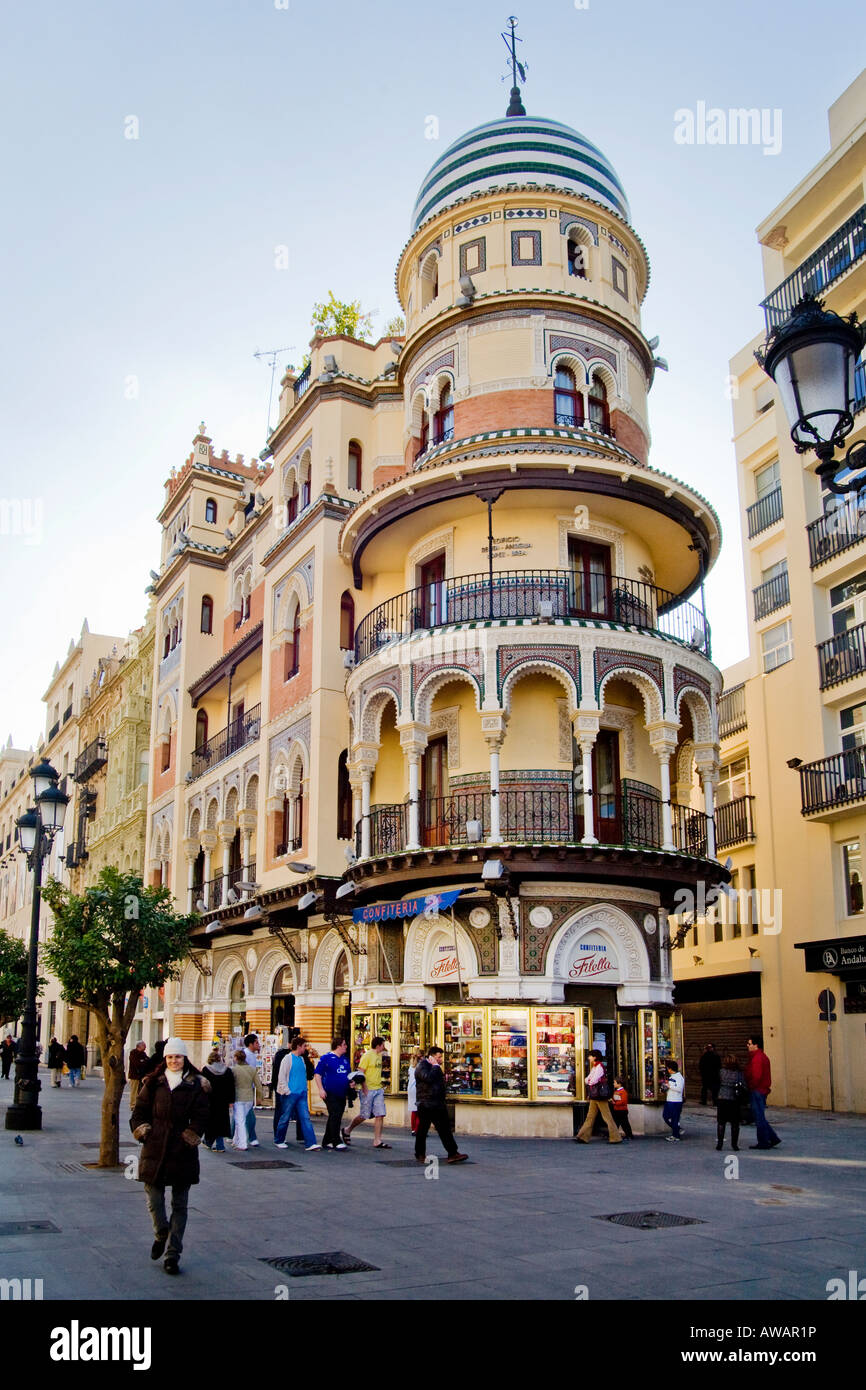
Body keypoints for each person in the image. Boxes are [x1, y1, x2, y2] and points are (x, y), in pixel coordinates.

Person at [130, 1037, 210, 1276]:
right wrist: (143, 1131)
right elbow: (139, 1111)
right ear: (164, 1059)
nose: (174, 1061)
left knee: (180, 1203)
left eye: (178, 1056)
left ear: (185, 1058)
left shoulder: (197, 1084)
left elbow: (202, 1115)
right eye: (170, 1057)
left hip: (182, 1149)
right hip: (155, 1146)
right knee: (153, 1197)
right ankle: (161, 1231)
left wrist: (191, 1134)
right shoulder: (153, 1083)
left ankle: (173, 1253)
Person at [414, 1046, 468, 1164]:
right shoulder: (422, 1066)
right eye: (439, 1057)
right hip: (426, 1103)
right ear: (432, 1057)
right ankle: (420, 1154)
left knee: (444, 1129)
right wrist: (436, 1066)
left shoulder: (434, 1067)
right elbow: (428, 1078)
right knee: (423, 1130)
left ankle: (452, 1153)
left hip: (437, 1103)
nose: (441, 1059)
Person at [342, 1035, 391, 1149]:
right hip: (368, 1089)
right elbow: (361, 1072)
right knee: (365, 1115)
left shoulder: (379, 1056)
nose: (384, 1047)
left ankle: (377, 1140)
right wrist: (364, 1086)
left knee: (380, 1114)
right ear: (378, 1045)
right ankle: (347, 1130)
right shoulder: (367, 1055)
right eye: (383, 1044)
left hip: (378, 1089)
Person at [274, 1036, 320, 1150]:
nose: (305, 1048)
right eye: (304, 1046)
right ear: (298, 1046)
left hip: (301, 1093)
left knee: (305, 1118)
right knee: (285, 1117)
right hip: (291, 1094)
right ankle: (279, 1139)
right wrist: (286, 1091)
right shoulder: (287, 1059)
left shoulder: (302, 1059)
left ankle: (310, 1142)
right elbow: (282, 1076)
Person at [574, 1050, 622, 1144]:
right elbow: (588, 1079)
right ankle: (582, 1136)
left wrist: (589, 1081)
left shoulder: (599, 1067)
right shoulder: (595, 1067)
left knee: (606, 1117)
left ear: (595, 1057)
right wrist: (589, 1080)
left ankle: (615, 1137)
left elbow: (592, 1080)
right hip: (595, 1095)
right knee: (590, 1116)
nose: (589, 1058)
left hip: (599, 1095)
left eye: (590, 1056)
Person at [314, 1037, 354, 1150]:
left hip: (341, 1092)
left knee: (336, 1115)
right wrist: (321, 1089)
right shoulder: (326, 1058)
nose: (346, 1046)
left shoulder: (345, 1060)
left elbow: (348, 1075)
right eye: (344, 1044)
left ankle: (327, 1140)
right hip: (329, 1092)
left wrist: (351, 1083)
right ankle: (336, 1140)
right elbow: (318, 1074)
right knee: (335, 1113)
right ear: (338, 1046)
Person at [745, 1036, 781, 1150]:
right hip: (761, 1090)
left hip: (757, 1091)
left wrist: (751, 1086)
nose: (747, 1045)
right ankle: (773, 1138)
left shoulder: (757, 1058)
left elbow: (756, 1076)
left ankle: (763, 1141)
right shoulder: (761, 1057)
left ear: (756, 1045)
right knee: (759, 1116)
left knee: (759, 1117)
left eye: (749, 1043)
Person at [201, 1048, 234, 1152]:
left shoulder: (206, 1070)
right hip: (223, 1101)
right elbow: (231, 1086)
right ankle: (220, 1145)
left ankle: (208, 1141)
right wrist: (231, 1100)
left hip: (210, 1100)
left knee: (211, 1122)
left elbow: (203, 1086)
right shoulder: (227, 1070)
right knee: (222, 1122)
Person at [230, 1049, 263, 1150]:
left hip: (238, 1097)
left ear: (236, 1058)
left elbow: (230, 1085)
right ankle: (236, 1140)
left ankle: (242, 1144)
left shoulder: (234, 1070)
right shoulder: (252, 1069)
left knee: (240, 1121)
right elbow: (258, 1085)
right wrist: (259, 1097)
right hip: (249, 1098)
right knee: (241, 1118)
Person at [716, 1053, 744, 1151]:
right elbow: (743, 1085)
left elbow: (717, 1082)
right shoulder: (738, 1073)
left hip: (722, 1097)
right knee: (735, 1123)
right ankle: (734, 1145)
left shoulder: (721, 1072)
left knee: (721, 1122)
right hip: (734, 1099)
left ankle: (720, 1143)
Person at [242, 1034, 262, 1147]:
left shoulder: (252, 1055)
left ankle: (230, 1134)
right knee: (249, 1115)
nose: (258, 1045)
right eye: (256, 1043)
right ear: (251, 1044)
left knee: (241, 1114)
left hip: (249, 1087)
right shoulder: (246, 1055)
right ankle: (252, 1137)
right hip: (245, 1088)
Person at [661, 1059, 685, 1141]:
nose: (668, 1070)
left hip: (676, 1101)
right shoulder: (671, 1077)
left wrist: (669, 1086)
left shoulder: (679, 1077)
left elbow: (679, 1088)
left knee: (674, 1118)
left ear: (671, 1069)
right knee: (666, 1116)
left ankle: (676, 1135)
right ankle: (677, 1129)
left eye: (668, 1068)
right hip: (669, 1100)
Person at [127, 1040, 150, 1111]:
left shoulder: (143, 1053)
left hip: (141, 1076)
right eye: (144, 1045)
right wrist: (143, 1062)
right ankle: (133, 1105)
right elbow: (137, 1063)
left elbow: (147, 1061)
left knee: (139, 1091)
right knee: (134, 1091)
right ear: (139, 1046)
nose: (145, 1047)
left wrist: (143, 1061)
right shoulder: (133, 1053)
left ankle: (138, 1104)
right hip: (134, 1076)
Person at [611, 1075, 633, 1139]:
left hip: (622, 1110)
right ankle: (615, 1135)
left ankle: (629, 1135)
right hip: (617, 1109)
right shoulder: (616, 1091)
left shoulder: (623, 1092)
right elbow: (616, 1099)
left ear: (619, 1084)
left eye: (615, 1082)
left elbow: (623, 1101)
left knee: (625, 1124)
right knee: (616, 1123)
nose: (613, 1084)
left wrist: (615, 1103)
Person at [406, 1048, 423, 1134]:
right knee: (420, 1110)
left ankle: (413, 1129)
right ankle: (418, 1129)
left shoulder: (411, 1066)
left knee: (414, 1110)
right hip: (418, 1089)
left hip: (411, 1089)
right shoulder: (420, 1066)